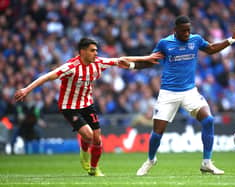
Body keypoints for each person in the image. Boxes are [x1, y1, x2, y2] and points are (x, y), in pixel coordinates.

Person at [14, 37, 161, 176]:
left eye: (96, 50)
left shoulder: (98, 62)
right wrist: (26, 89)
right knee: (89, 135)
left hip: (87, 104)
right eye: (92, 50)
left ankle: (94, 169)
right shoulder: (71, 67)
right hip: (69, 106)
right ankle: (84, 154)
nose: (96, 53)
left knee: (97, 140)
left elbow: (122, 60)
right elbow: (46, 77)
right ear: (82, 51)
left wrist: (147, 58)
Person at [129, 15, 235, 176]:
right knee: (157, 133)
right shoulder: (165, 43)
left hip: (189, 91)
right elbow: (150, 61)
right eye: (184, 31)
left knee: (208, 120)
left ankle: (207, 163)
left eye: (189, 30)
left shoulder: (195, 40)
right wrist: (133, 65)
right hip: (168, 93)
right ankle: (150, 160)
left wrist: (231, 40)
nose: (187, 33)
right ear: (175, 30)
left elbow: (210, 49)